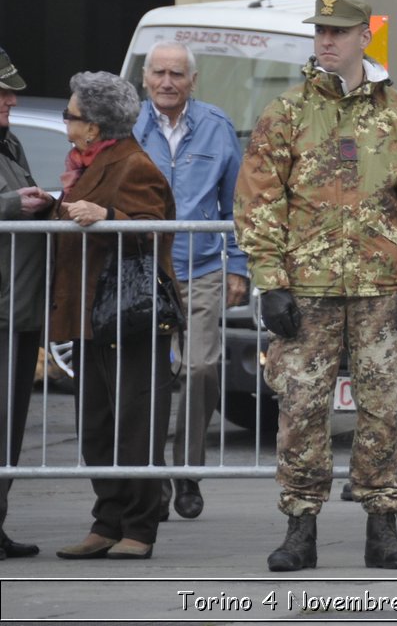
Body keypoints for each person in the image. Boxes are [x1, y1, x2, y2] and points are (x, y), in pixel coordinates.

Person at [235, 0, 397, 572]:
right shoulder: (289, 112)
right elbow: (257, 200)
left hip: (380, 286)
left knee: (382, 409)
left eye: (338, 31)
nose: (326, 41)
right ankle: (300, 528)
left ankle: (384, 528)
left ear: (362, 39)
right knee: (302, 408)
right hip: (307, 287)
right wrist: (271, 281)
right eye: (320, 31)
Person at [49, 72, 177, 561]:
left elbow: (152, 229)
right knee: (97, 424)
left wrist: (104, 215)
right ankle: (107, 520)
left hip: (130, 318)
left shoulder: (133, 165)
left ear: (95, 127)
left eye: (71, 115)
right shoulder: (85, 164)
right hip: (92, 318)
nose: (66, 120)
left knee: (135, 422)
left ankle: (139, 527)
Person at [133, 41, 248, 521]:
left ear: (192, 81)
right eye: (158, 72)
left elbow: (237, 205)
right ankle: (151, 478)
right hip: (142, 271)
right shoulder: (129, 128)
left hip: (202, 269)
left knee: (201, 367)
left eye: (176, 74)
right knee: (149, 377)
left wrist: (238, 264)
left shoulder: (217, 127)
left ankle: (187, 472)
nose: (166, 82)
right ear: (144, 79)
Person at [0, 49, 53, 560]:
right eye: (1, 91)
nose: (10, 99)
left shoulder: (9, 142)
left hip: (18, 307)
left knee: (9, 424)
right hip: (4, 308)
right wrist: (15, 205)